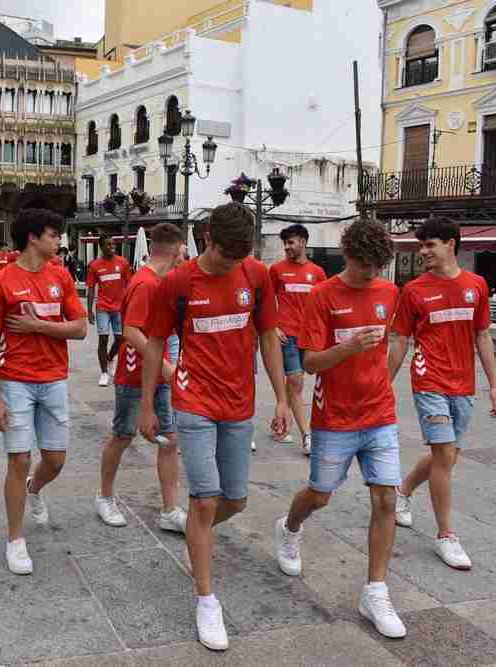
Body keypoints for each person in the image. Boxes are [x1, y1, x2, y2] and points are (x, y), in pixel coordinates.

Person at [140, 203, 290, 652]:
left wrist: (281, 397)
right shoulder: (178, 283)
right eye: (227, 255)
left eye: (241, 256)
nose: (233, 264)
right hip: (193, 401)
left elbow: (267, 336)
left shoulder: (256, 274)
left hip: (239, 403)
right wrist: (147, 405)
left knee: (236, 501)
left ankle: (196, 531)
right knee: (204, 499)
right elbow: (152, 342)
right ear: (207, 239)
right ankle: (206, 598)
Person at [273, 219, 406, 639]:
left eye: (380, 266)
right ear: (350, 256)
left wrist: (384, 377)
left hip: (380, 414)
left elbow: (394, 343)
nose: (374, 274)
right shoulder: (323, 295)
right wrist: (347, 348)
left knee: (386, 499)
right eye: (368, 266)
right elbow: (310, 362)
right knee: (320, 495)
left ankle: (376, 590)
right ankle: (289, 528)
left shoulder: (389, 292)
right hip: (334, 417)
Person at [388, 217, 496, 572]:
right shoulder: (414, 291)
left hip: (463, 384)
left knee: (448, 456)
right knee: (443, 455)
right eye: (421, 246)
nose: (423, 251)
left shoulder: (477, 286)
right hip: (429, 381)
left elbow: (482, 335)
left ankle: (403, 491)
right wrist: (383, 384)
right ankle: (446, 535)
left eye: (430, 245)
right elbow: (400, 340)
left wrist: (494, 384)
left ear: (451, 244)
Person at [0, 208, 88, 575]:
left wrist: (37, 325)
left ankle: (34, 488)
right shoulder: (1, 283)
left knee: (56, 460)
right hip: (15, 381)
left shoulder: (61, 277)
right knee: (18, 459)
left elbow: (80, 329)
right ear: (32, 238)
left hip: (54, 379)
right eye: (53, 234)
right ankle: (15, 539)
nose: (58, 240)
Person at [96, 223, 187, 533]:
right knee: (122, 436)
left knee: (169, 440)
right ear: (176, 250)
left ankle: (170, 509)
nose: (184, 256)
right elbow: (131, 331)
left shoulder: (161, 282)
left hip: (156, 376)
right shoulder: (146, 284)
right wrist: (164, 366)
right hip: (134, 375)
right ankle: (105, 497)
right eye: (183, 250)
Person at [269, 224, 328, 455]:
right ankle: (307, 435)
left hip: (311, 337)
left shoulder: (318, 273)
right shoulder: (276, 270)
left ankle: (281, 417)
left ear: (303, 242)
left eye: (291, 242)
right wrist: (273, 326)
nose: (287, 247)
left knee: (293, 385)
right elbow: (263, 301)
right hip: (288, 336)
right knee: (295, 382)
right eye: (285, 243)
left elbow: (325, 306)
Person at [87, 235, 131, 386]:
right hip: (103, 308)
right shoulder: (94, 265)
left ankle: (110, 358)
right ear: (101, 247)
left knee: (120, 339)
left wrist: (130, 305)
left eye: (113, 244)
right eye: (108, 244)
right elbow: (91, 288)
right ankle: (104, 373)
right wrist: (89, 310)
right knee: (103, 339)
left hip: (119, 308)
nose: (112, 247)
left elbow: (130, 285)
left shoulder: (123, 263)